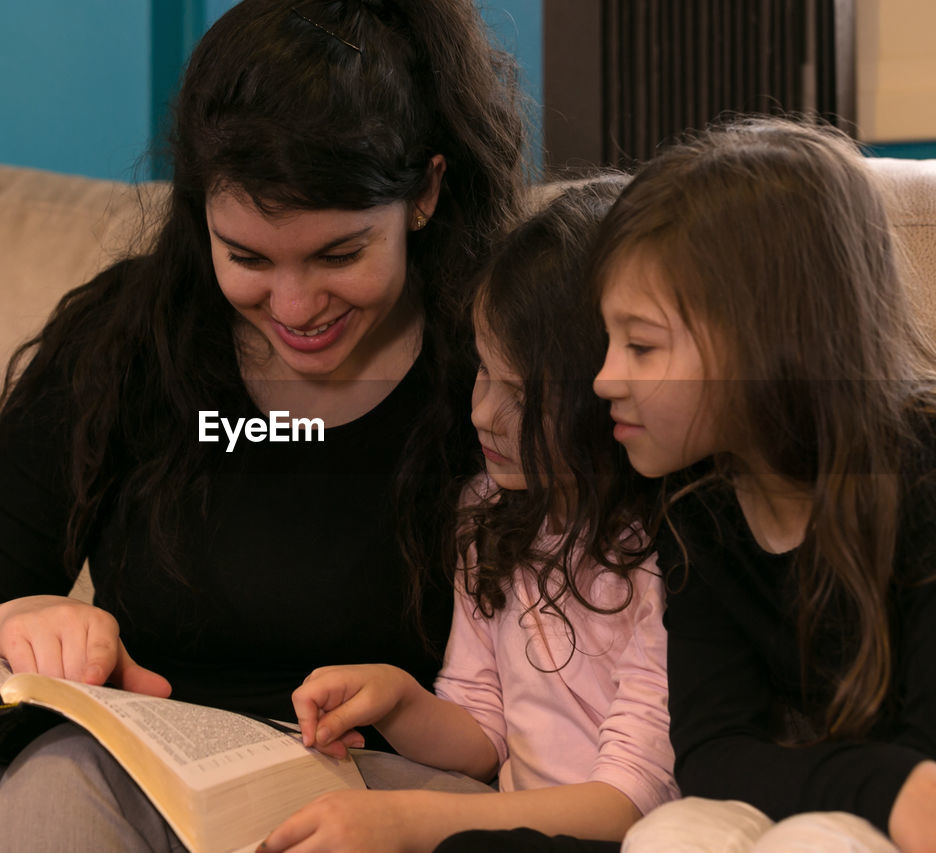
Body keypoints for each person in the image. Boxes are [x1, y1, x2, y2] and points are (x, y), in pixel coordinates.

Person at [0, 2, 527, 850]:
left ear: (423, 192)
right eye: (247, 257)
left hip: (367, 787)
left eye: (339, 255)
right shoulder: (131, 341)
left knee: (64, 794)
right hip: (131, 750)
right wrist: (10, 622)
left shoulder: (497, 365)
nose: (296, 306)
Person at [589, 116, 936, 851]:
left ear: (766, 337)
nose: (604, 377)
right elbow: (714, 750)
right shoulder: (698, 505)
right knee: (670, 834)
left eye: (641, 344)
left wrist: (885, 789)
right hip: (855, 795)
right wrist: (884, 782)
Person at [255, 181, 677, 853]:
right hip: (504, 824)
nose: (482, 413)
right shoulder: (487, 509)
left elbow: (633, 801)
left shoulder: (660, 552)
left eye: (520, 394)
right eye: (484, 372)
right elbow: (483, 733)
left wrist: (407, 822)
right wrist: (398, 698)